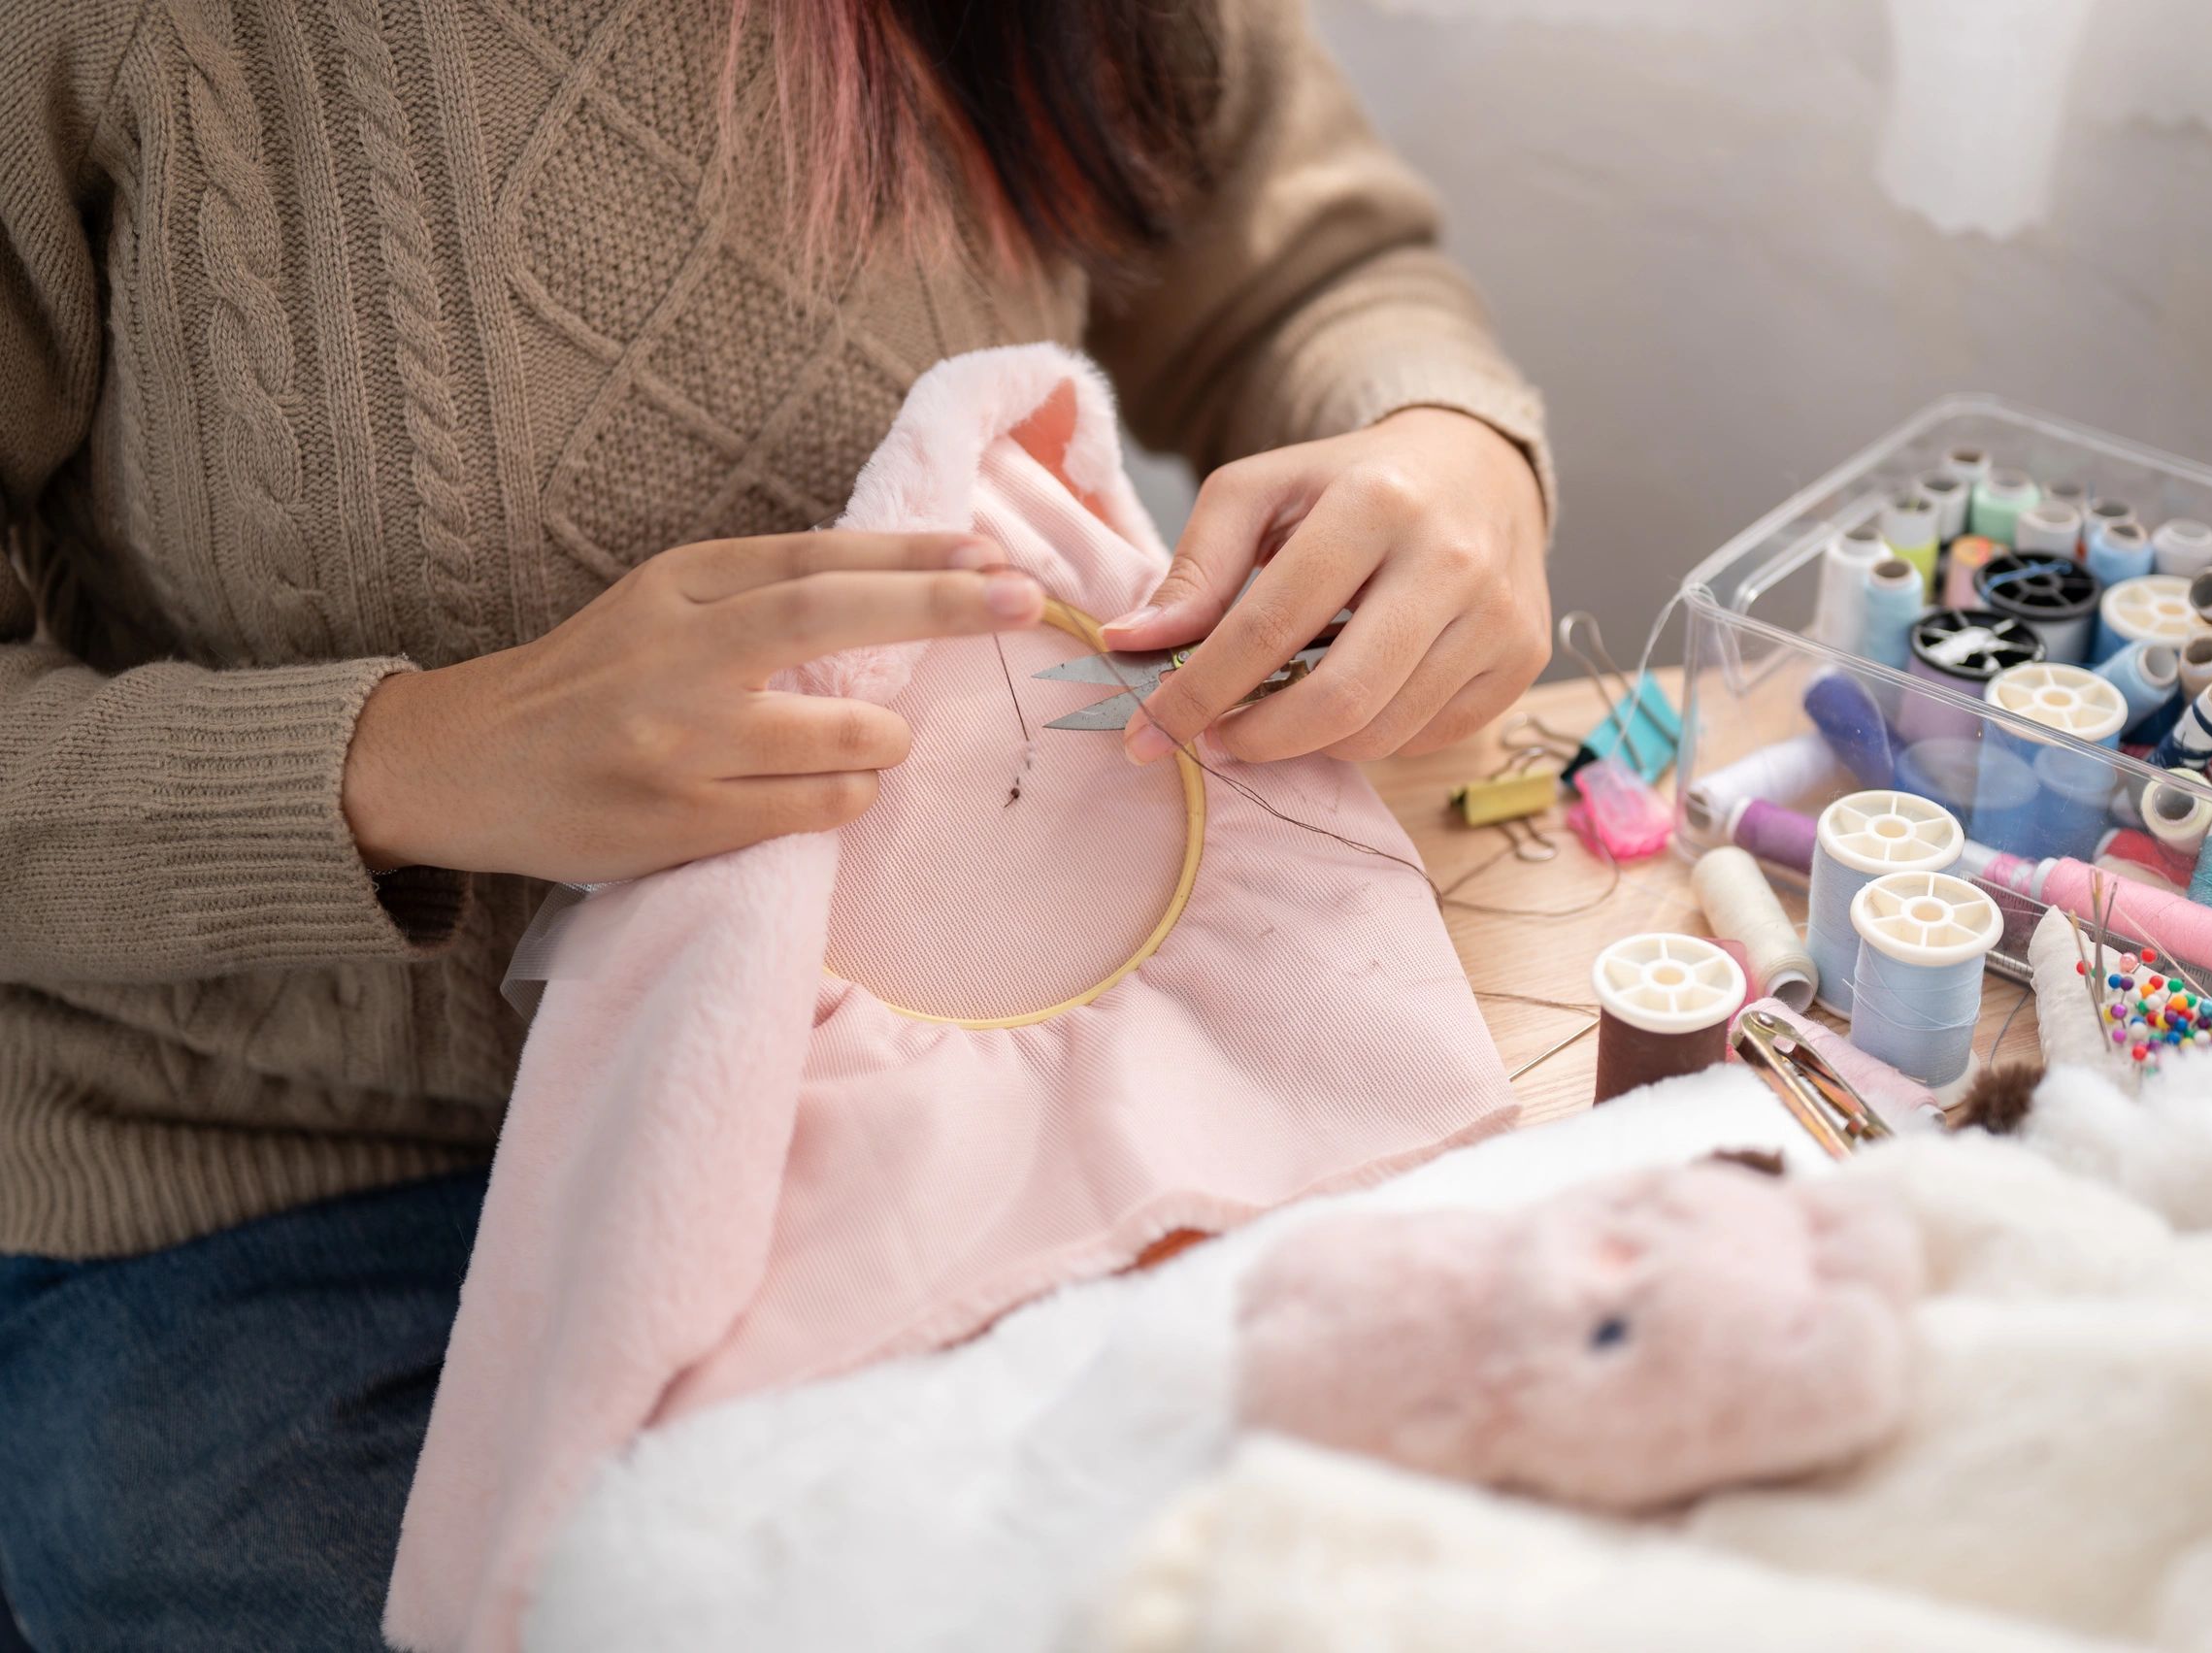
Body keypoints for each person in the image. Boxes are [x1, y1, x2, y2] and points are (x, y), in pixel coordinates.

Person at [0, 0, 1550, 1644]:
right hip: (277, 1208)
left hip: (972, 1124)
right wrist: (418, 759)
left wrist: (1445, 452)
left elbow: (1303, 272)